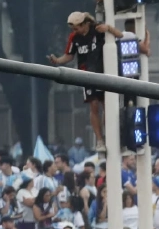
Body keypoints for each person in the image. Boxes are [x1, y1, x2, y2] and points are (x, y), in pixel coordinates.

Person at [47, 12, 124, 152]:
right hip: (86, 75)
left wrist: (109, 29)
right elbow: (69, 55)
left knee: (107, 105)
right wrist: (57, 61)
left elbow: (120, 35)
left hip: (103, 73)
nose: (74, 31)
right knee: (93, 105)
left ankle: (110, 135)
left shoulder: (97, 29)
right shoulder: (74, 38)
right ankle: (99, 140)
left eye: (76, 28)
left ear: (84, 24)